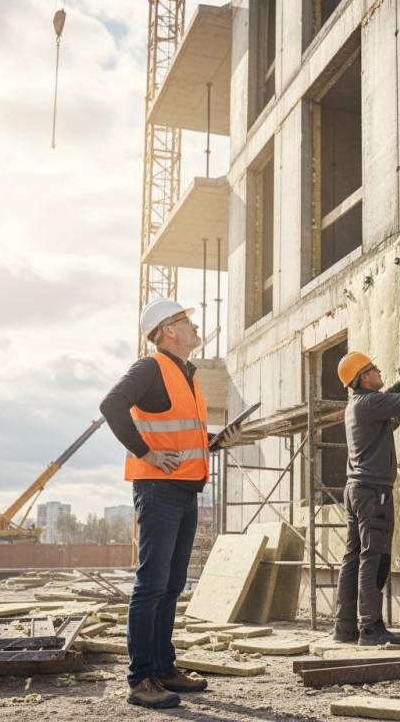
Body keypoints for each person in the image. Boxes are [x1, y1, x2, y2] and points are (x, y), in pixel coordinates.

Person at [100, 298, 241, 709]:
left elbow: (178, 434)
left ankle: (163, 668)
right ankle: (140, 679)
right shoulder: (151, 366)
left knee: (173, 584)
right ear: (168, 332)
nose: (194, 326)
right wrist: (145, 452)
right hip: (158, 489)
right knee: (151, 585)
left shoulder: (187, 374)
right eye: (186, 321)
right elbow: (111, 405)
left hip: (184, 489)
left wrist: (212, 442)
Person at [334, 348, 400, 646]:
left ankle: (345, 627)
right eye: (375, 369)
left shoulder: (359, 404)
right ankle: (371, 628)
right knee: (374, 557)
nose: (380, 372)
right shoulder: (370, 403)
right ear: (364, 378)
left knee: (353, 557)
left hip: (357, 490)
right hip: (373, 493)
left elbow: (393, 398)